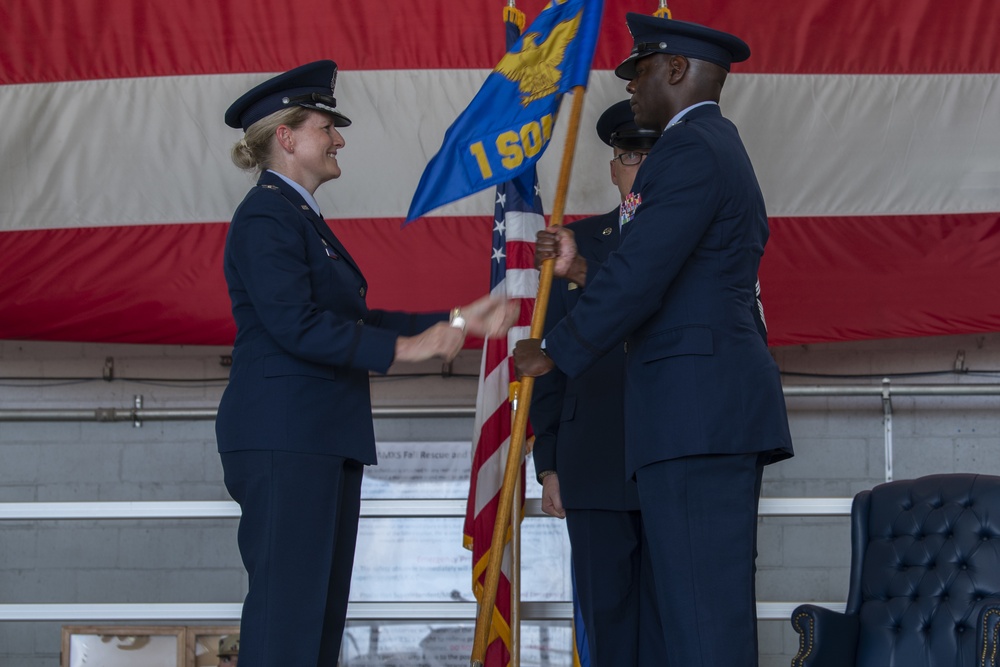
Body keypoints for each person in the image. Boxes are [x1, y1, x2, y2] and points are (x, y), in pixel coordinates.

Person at [216, 60, 517, 667]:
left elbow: (354, 320)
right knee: (287, 620)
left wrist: (456, 321)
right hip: (287, 435)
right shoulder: (266, 216)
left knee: (317, 620)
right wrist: (408, 350)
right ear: (287, 137)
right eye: (327, 125)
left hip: (317, 434)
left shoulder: (296, 217)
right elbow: (294, 324)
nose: (339, 139)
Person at [514, 15, 793, 667]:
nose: (631, 87)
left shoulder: (691, 148)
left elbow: (642, 272)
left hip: (697, 412)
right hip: (696, 415)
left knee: (700, 622)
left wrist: (558, 348)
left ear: (674, 71)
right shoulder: (707, 145)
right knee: (694, 614)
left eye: (638, 71)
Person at [529, 99, 664, 666]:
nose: (638, 165)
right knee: (605, 623)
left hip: (669, 455)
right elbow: (551, 358)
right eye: (628, 155)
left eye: (651, 153)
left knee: (670, 626)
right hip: (593, 458)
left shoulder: (694, 239)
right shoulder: (576, 244)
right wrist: (550, 463)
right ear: (612, 168)